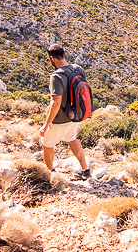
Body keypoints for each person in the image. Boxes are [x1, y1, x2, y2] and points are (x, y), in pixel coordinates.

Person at [39, 43, 90, 179]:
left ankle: (51, 174)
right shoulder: (78, 69)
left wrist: (46, 124)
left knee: (46, 144)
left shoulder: (56, 76)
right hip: (76, 115)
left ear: (52, 58)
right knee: (72, 138)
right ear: (63, 55)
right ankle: (85, 169)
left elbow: (56, 103)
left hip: (61, 119)